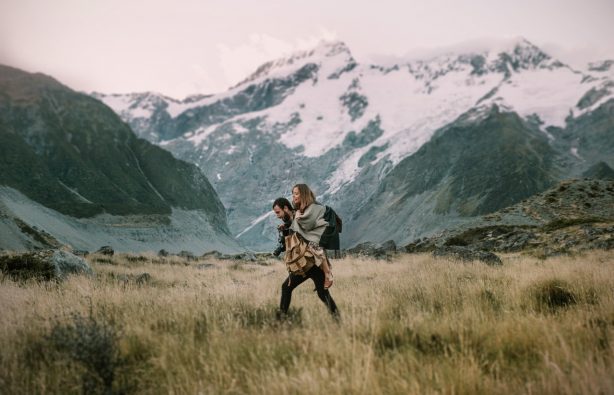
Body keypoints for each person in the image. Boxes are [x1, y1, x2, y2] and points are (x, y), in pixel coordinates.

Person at [275, 184, 339, 320]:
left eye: (278, 212)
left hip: (308, 262)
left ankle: (280, 322)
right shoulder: (292, 219)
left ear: (286, 209)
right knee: (322, 293)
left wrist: (289, 226)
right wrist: (285, 229)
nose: (277, 216)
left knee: (288, 288)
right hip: (307, 263)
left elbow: (307, 234)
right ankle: (338, 319)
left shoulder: (301, 215)